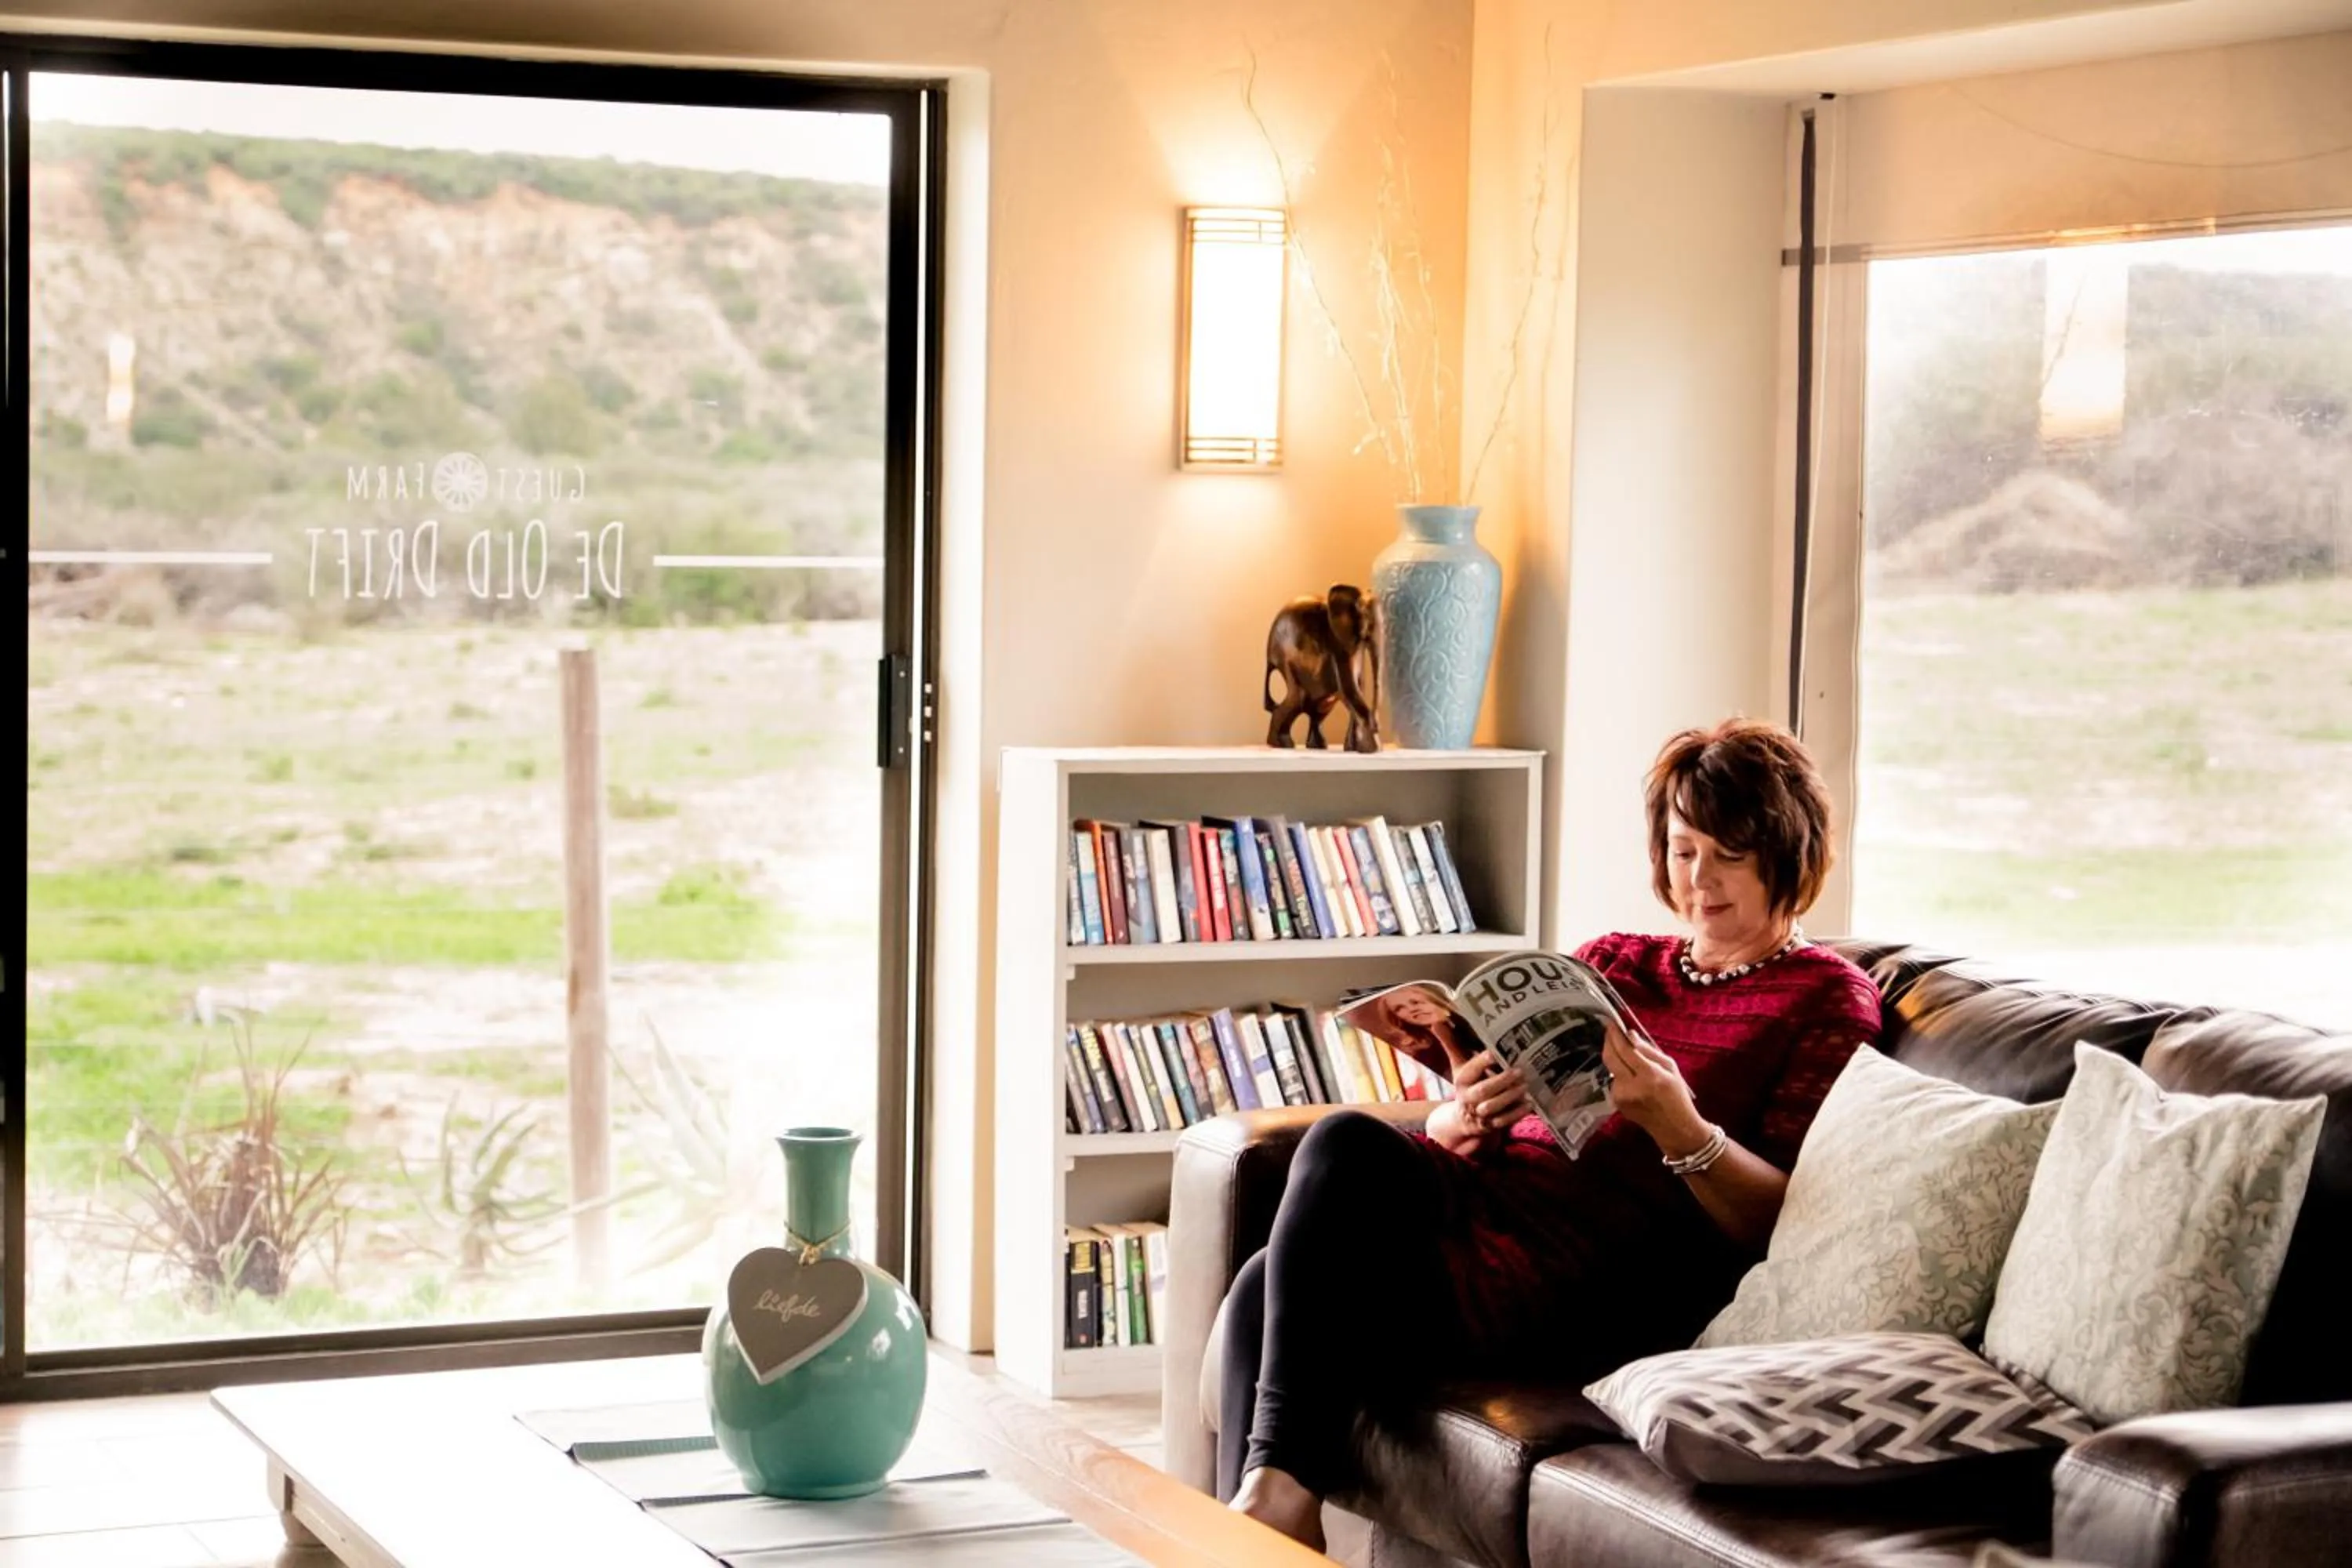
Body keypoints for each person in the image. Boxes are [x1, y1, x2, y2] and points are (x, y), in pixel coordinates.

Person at [1221, 718, 1883, 1550]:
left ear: (1789, 853)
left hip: (1601, 1267)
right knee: (1330, 1168)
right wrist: (1463, 1113)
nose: (1700, 879)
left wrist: (1679, 1125)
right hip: (1489, 1201)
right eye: (1683, 851)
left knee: (1276, 1265)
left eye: (1730, 854)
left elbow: (1786, 1222)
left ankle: (1263, 1521)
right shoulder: (1618, 958)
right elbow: (1498, 1110)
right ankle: (1265, 1516)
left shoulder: (1825, 998)